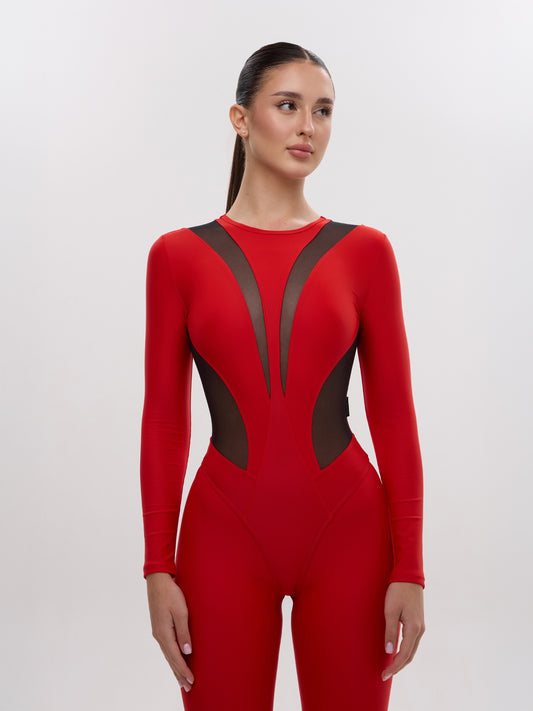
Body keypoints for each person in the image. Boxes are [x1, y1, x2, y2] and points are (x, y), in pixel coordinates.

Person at [140, 41, 425, 710]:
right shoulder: (176, 257)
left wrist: (409, 566)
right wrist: (157, 567)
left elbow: (393, 417)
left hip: (350, 534)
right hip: (221, 537)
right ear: (240, 119)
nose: (308, 127)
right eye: (288, 105)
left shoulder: (365, 253)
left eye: (322, 110)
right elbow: (165, 422)